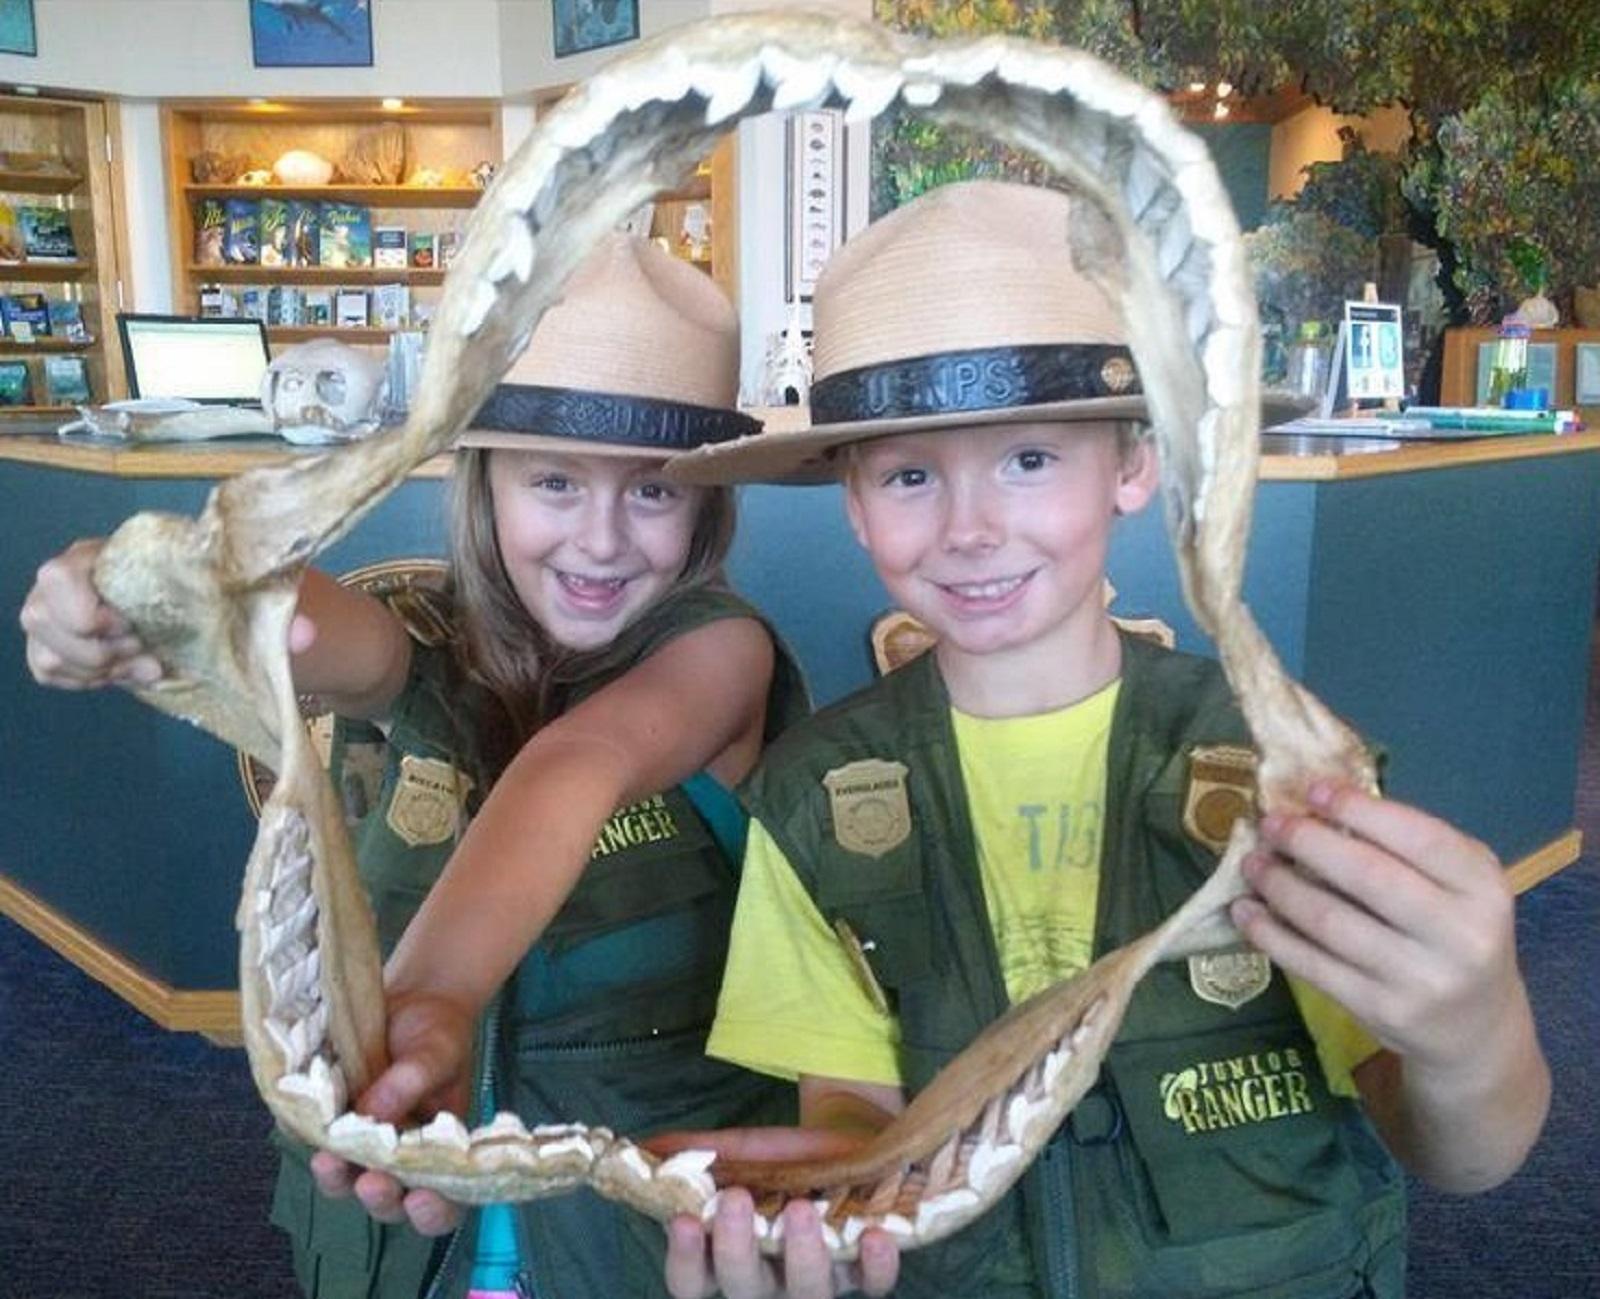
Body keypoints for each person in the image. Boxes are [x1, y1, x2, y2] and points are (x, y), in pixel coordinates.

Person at [655, 181, 1550, 1299]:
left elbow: (1455, 1150)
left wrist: (1473, 1032)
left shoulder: (1285, 772)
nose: (971, 527)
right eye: (908, 474)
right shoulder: (813, 800)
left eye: (1029, 458)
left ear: (1132, 465)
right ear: (851, 500)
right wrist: (837, 1200)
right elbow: (846, 1103)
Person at [20, 234, 806, 1299]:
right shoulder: (425, 641)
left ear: (706, 506)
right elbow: (294, 615)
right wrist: (130, 589)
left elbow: (574, 764)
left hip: (628, 1228)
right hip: (408, 1235)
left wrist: (432, 995)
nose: (604, 539)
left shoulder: (721, 652)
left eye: (654, 493)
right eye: (556, 482)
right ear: (486, 480)